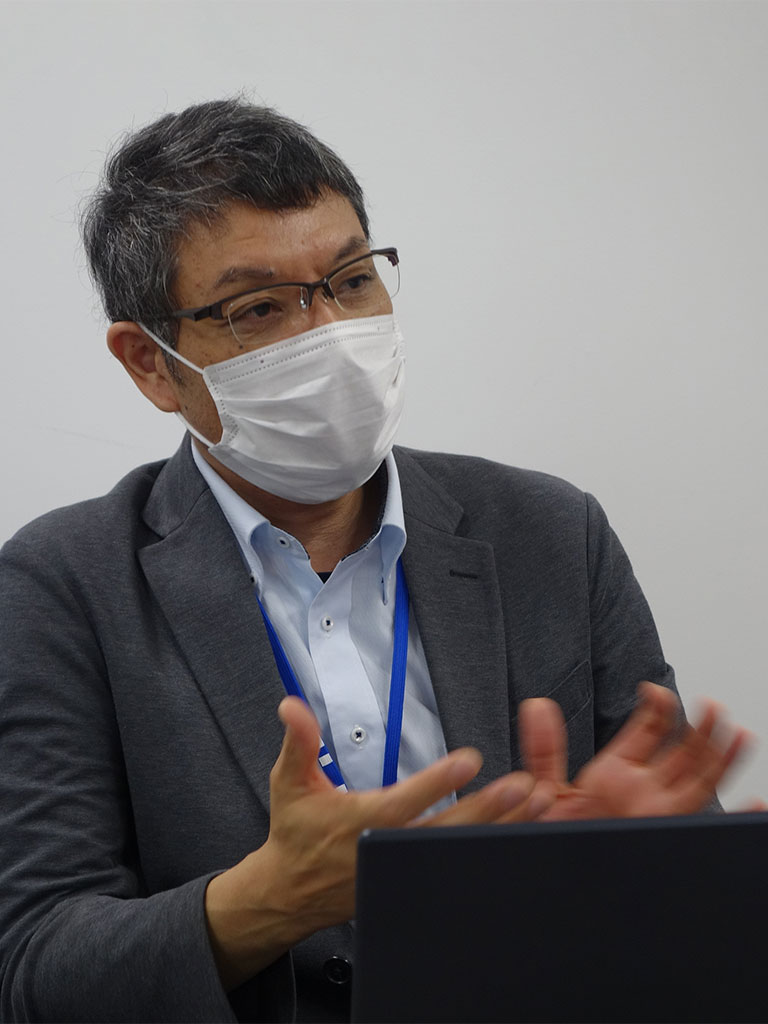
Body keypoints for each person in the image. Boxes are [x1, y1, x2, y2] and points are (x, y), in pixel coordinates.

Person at [0, 98, 747, 1024]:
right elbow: (33, 969)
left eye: (351, 281)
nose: (328, 334)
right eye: (258, 308)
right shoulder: (59, 587)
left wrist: (631, 873)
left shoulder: (553, 533)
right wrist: (267, 901)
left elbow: (707, 911)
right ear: (151, 364)